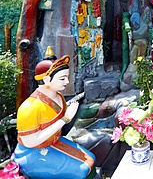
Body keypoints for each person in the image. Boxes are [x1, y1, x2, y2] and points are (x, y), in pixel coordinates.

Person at [13, 50, 96, 179]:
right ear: (46, 79)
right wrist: (64, 119)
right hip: (31, 153)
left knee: (91, 159)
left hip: (54, 142)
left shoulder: (59, 97)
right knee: (82, 170)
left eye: (67, 77)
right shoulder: (29, 107)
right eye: (62, 78)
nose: (67, 81)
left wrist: (69, 111)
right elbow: (30, 142)